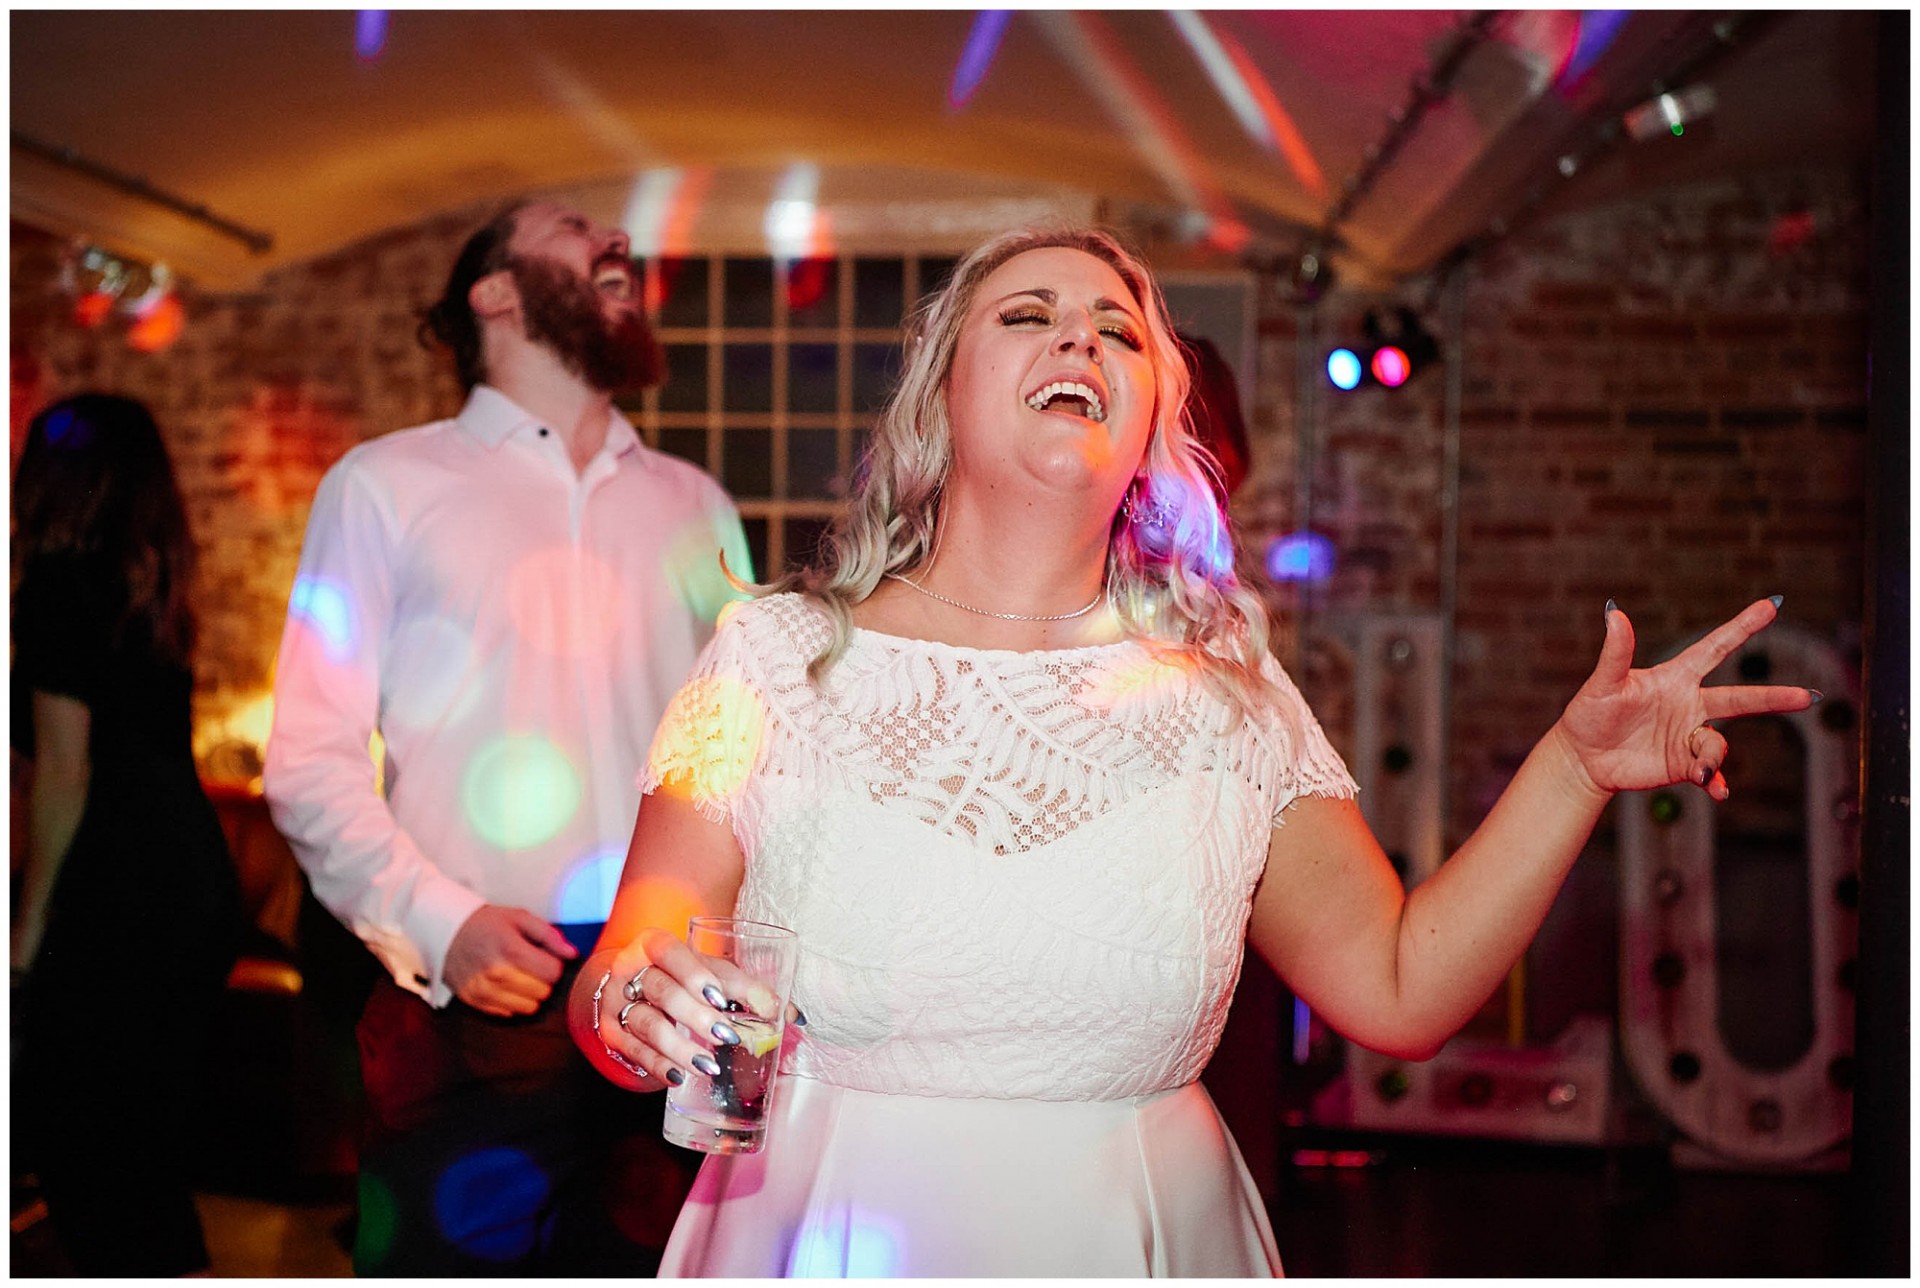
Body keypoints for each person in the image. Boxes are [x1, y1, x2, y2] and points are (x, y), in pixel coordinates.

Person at [568, 225, 1814, 1277]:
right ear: (941, 389)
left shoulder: (1224, 686)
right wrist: (632, 999)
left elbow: (1399, 986)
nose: (1080, 341)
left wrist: (1572, 767)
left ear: (1154, 411)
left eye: (1117, 331)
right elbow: (639, 947)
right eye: (1032, 316)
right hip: (830, 1225)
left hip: (1136, 1232)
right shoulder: (775, 654)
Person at [263, 199, 750, 1275]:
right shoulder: (385, 487)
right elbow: (306, 755)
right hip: (466, 1000)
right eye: (576, 228)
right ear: (493, 293)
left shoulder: (695, 503)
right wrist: (442, 924)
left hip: (660, 991)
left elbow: (739, 754)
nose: (614, 242)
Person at [11, 393, 245, 1275]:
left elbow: (64, 776)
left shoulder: (59, 590)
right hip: (190, 883)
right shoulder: (151, 588)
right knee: (142, 1157)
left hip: (118, 895)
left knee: (85, 1156)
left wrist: (26, 937)